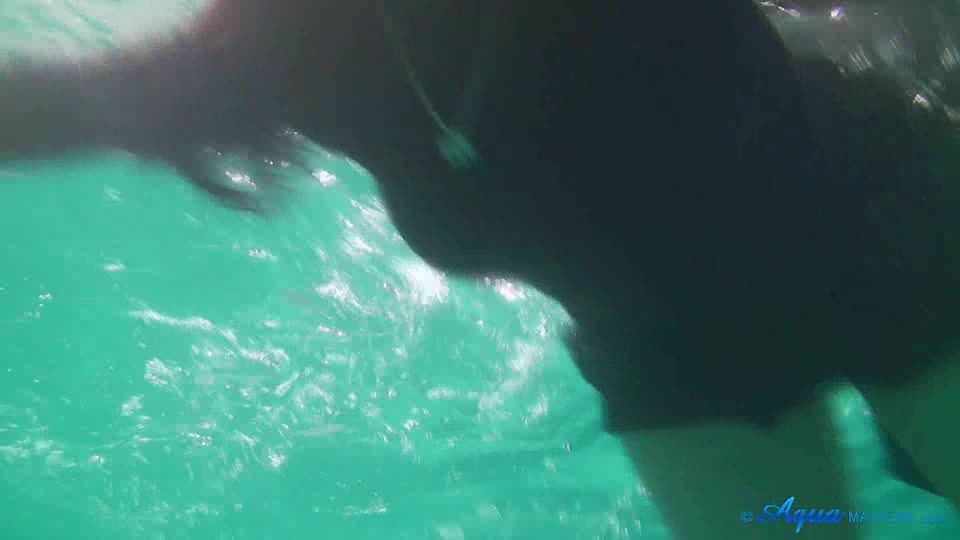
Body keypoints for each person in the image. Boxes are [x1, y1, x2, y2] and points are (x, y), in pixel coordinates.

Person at [2, 1, 958, 537]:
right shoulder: (288, 45)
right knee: (790, 522)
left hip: (879, 230)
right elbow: (75, 106)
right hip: (677, 357)